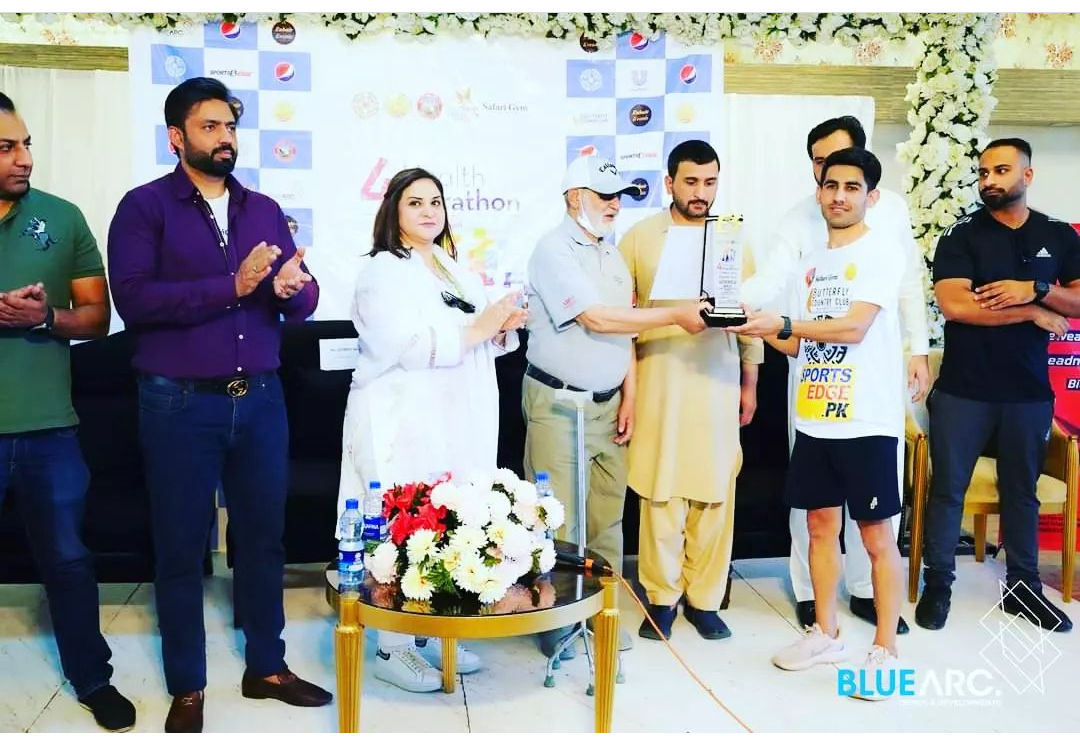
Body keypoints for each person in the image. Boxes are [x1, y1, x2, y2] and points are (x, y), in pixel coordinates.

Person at [107, 77, 331, 733]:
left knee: (262, 540)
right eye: (210, 126)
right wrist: (230, 286)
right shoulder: (144, 207)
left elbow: (303, 296)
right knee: (181, 546)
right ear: (176, 137)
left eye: (230, 126)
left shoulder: (262, 208)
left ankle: (267, 667)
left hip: (260, 399)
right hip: (178, 404)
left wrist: (291, 290)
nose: (225, 137)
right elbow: (134, 300)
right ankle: (188, 684)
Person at [336, 167, 527, 692]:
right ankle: (392, 647)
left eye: (436, 202)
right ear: (393, 210)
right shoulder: (381, 270)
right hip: (402, 417)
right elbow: (405, 345)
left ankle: (434, 630)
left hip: (453, 415)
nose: (428, 211)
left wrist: (501, 328)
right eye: (415, 202)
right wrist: (481, 328)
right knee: (401, 523)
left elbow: (477, 334)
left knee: (445, 520)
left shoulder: (451, 267)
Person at [742, 116, 927, 633]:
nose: (837, 191)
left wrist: (919, 348)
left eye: (849, 181)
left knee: (876, 529)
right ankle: (818, 616)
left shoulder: (883, 244)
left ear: (870, 189)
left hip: (868, 413)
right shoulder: (809, 252)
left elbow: (855, 326)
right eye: (825, 173)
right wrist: (737, 315)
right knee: (817, 520)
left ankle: (879, 627)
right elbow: (781, 307)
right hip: (816, 412)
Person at [524, 154, 708, 657]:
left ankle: (599, 614)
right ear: (573, 198)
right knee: (558, 520)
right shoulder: (553, 250)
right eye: (603, 196)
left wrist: (630, 394)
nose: (613, 205)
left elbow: (624, 329)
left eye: (618, 197)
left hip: (608, 408)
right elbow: (598, 319)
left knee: (607, 518)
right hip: (560, 404)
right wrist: (676, 314)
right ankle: (558, 620)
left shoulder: (610, 252)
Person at [0, 91, 135, 732]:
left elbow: (96, 317)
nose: (25, 158)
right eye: (6, 147)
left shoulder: (62, 216)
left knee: (70, 561)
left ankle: (92, 678)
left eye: (26, 144)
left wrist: (43, 316)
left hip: (49, 430)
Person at [917, 138, 1078, 633]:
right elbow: (956, 306)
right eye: (983, 172)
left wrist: (1037, 289)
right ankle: (938, 585)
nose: (989, 180)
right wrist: (1031, 312)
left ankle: (1023, 590)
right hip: (963, 391)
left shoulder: (1057, 235)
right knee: (948, 491)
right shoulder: (961, 235)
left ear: (1027, 176)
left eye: (1001, 171)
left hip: (1028, 394)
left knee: (1022, 493)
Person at [617, 140, 762, 641]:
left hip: (717, 379)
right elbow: (622, 319)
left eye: (710, 182)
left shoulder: (732, 240)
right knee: (661, 491)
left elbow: (751, 315)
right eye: (691, 182)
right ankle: (661, 599)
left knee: (715, 490)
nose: (701, 192)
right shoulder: (639, 238)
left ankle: (705, 600)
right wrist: (628, 391)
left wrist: (750, 384)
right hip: (658, 377)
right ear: (669, 182)